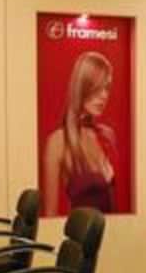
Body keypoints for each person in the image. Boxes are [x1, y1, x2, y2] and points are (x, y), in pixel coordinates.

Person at [42, 52, 118, 216]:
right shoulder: (58, 142)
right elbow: (50, 215)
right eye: (97, 88)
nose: (104, 96)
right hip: (81, 231)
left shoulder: (107, 136)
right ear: (82, 87)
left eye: (106, 88)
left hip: (115, 229)